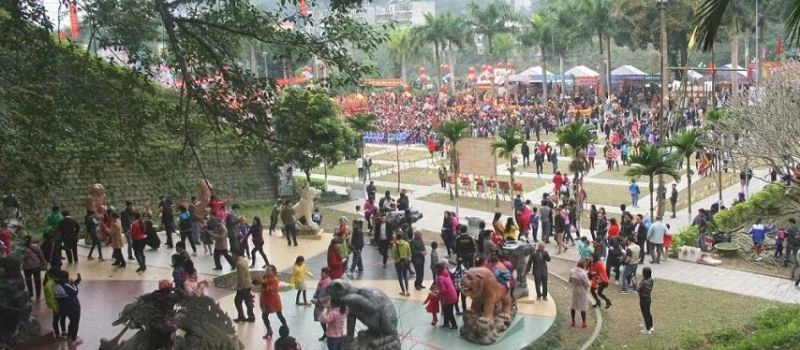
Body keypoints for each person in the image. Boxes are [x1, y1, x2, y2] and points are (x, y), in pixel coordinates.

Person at [258, 264, 288, 339]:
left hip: (274, 301)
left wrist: (263, 283)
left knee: (280, 315)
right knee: (264, 317)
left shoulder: (274, 279)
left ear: (273, 272)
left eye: (268, 270)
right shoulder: (265, 277)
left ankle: (286, 328)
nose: (267, 271)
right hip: (265, 301)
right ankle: (269, 331)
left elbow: (270, 289)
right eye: (266, 270)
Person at [54, 271, 82, 346]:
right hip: (73, 307)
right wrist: (73, 283)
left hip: (63, 307)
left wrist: (75, 282)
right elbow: (75, 291)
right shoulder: (65, 285)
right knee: (75, 322)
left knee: (71, 321)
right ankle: (74, 339)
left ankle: (70, 335)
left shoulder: (56, 285)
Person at [230, 249, 256, 323]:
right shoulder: (244, 260)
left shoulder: (239, 263)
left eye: (233, 255)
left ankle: (242, 316)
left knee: (237, 301)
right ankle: (251, 316)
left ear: (236, 254)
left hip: (243, 286)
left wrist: (239, 287)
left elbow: (241, 277)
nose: (232, 256)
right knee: (248, 301)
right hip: (248, 284)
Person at [44, 268, 66, 340]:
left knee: (61, 317)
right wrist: (55, 307)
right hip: (56, 304)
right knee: (56, 319)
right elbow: (51, 298)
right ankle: (57, 334)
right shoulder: (50, 284)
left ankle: (63, 332)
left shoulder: (51, 281)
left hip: (58, 303)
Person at [21, 235, 46, 299]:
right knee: (37, 280)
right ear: (30, 240)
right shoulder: (35, 247)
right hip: (36, 265)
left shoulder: (21, 249)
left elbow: (20, 258)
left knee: (28, 280)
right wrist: (43, 263)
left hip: (27, 267)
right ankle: (38, 294)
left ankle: (31, 293)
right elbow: (41, 255)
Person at [436, 262, 458, 330]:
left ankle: (454, 325)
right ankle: (446, 323)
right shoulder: (446, 274)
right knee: (446, 310)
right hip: (453, 295)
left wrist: (437, 293)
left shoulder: (440, 278)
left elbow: (443, 290)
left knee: (448, 312)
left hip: (448, 297)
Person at [312, 267, 332, 341]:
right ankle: (326, 333)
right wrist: (315, 297)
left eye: (322, 273)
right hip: (319, 303)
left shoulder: (328, 282)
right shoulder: (322, 280)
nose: (321, 274)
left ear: (327, 274)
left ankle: (328, 334)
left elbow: (327, 295)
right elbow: (318, 290)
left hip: (324, 304)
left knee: (325, 319)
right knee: (321, 319)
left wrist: (318, 300)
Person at [569, 261, 591, 328]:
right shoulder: (583, 274)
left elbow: (570, 280)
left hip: (575, 290)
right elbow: (588, 284)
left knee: (573, 306)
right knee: (583, 307)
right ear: (583, 266)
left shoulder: (572, 271)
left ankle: (573, 321)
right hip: (582, 291)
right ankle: (583, 323)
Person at [639, 267, 655, 334]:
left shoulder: (644, 282)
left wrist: (633, 282)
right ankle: (650, 326)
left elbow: (638, 289)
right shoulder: (650, 280)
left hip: (643, 299)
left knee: (645, 314)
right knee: (648, 313)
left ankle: (647, 329)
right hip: (648, 298)